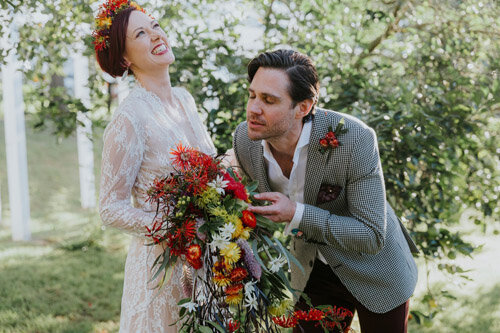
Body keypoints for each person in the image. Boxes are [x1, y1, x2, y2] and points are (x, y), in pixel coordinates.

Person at [232, 49, 419, 333]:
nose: (254, 109)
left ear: (303, 107)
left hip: (377, 269)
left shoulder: (354, 139)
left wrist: (296, 214)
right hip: (312, 271)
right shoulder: (244, 140)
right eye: (252, 95)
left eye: (269, 100)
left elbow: (371, 234)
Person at [95, 1, 215, 331]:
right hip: (162, 271)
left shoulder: (185, 99)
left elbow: (209, 171)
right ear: (124, 58)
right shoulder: (129, 119)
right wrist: (174, 228)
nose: (156, 35)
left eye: (156, 26)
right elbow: (109, 208)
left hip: (208, 261)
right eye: (141, 33)